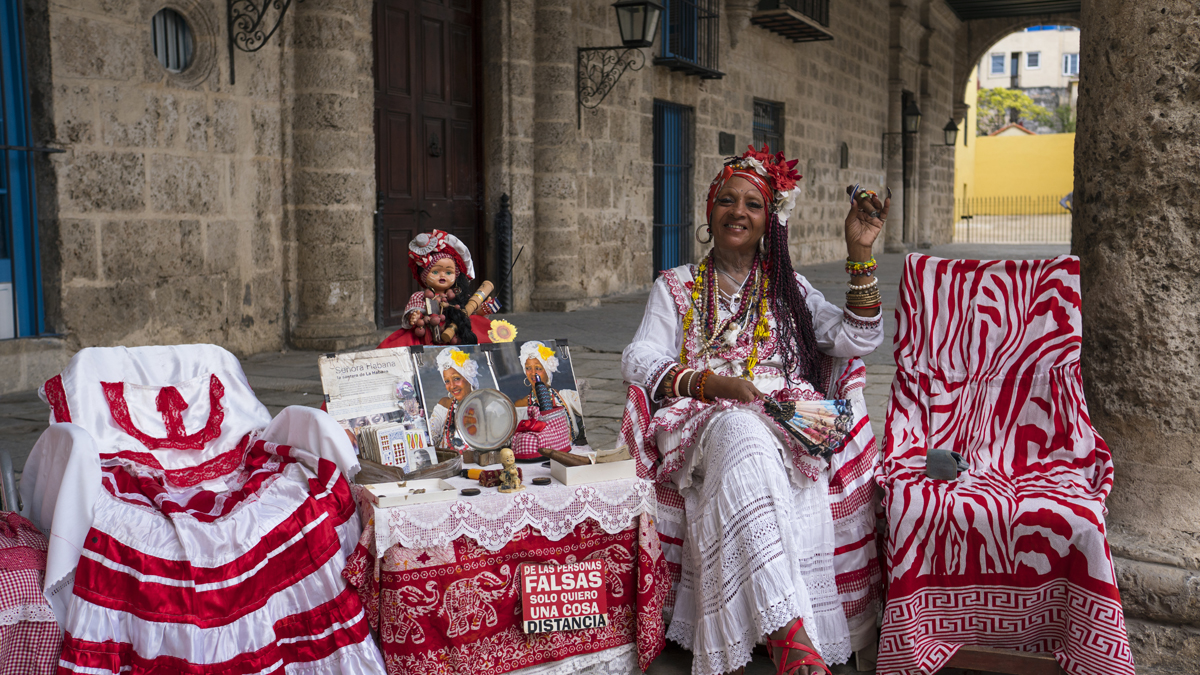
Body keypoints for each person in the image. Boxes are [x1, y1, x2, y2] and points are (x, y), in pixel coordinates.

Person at [621, 145, 887, 675]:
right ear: (709, 213)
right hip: (702, 419)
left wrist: (859, 252)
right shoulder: (673, 287)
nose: (737, 211)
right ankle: (790, 637)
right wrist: (714, 383)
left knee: (756, 445)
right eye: (726, 200)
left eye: (753, 204)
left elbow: (859, 336)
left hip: (784, 425)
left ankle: (780, 629)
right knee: (741, 427)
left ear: (771, 222)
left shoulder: (790, 290)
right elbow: (638, 359)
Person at [377, 230, 501, 349]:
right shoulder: (420, 296)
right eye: (435, 271)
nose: (442, 276)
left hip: (456, 336)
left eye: (448, 272)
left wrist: (482, 310)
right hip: (427, 336)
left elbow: (471, 312)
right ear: (424, 275)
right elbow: (413, 312)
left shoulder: (459, 296)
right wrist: (413, 316)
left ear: (456, 275)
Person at [513, 341, 586, 446]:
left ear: (547, 370)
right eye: (528, 368)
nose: (533, 373)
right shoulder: (521, 405)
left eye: (538, 368)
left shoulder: (566, 397)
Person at [428, 347, 479, 452]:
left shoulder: (482, 405)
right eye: (447, 381)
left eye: (456, 378)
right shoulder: (444, 405)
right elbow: (430, 435)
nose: (452, 386)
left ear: (468, 378)